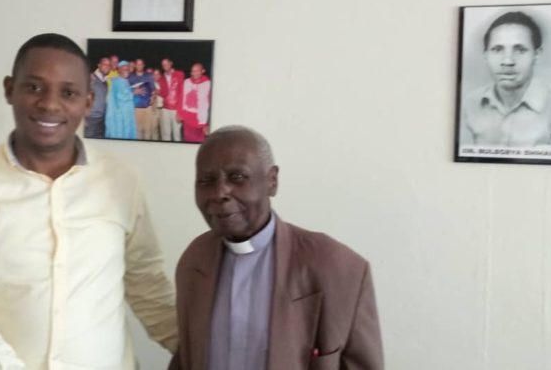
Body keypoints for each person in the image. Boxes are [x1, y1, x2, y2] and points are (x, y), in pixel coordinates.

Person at [0, 33, 177, 370]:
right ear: (9, 89)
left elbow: (147, 286)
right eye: (34, 87)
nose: (50, 104)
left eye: (68, 93)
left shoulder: (121, 182)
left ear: (88, 102)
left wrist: (208, 350)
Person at [170, 126, 384, 370]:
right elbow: (185, 356)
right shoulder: (194, 261)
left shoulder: (338, 268)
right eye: (206, 181)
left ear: (272, 181)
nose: (220, 193)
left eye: (237, 177)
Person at [459, 11, 551, 148]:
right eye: (497, 49)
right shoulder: (469, 105)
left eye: (520, 50)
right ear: (486, 55)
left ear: (537, 55)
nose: (508, 61)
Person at [178, 63, 211, 143]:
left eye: (197, 71)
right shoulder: (186, 82)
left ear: (203, 71)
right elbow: (180, 97)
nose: (194, 73)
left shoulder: (208, 84)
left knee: (200, 144)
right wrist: (179, 113)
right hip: (187, 119)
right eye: (192, 71)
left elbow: (212, 105)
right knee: (187, 142)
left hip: (201, 121)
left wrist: (209, 123)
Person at [105, 60, 137, 139]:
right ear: (119, 70)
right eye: (124, 69)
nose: (127, 71)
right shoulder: (116, 81)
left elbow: (124, 91)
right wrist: (134, 93)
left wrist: (132, 89)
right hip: (120, 115)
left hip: (127, 114)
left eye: (127, 69)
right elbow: (120, 97)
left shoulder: (125, 81)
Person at [129, 58, 157, 140]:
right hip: (135, 109)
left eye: (141, 64)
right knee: (138, 131)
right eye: (137, 64)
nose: (139, 66)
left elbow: (153, 89)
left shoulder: (149, 76)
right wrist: (133, 91)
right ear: (135, 65)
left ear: (143, 65)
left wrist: (153, 96)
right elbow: (125, 90)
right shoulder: (130, 77)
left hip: (147, 108)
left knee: (148, 130)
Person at [157, 58, 184, 142]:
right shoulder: (161, 78)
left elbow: (182, 93)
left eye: (166, 63)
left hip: (176, 109)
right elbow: (163, 93)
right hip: (165, 109)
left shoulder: (179, 74)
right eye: (163, 64)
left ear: (171, 63)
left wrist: (180, 111)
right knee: (166, 134)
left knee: (177, 134)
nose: (165, 66)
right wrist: (157, 92)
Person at [84, 57, 110, 138]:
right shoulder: (91, 78)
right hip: (91, 119)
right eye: (105, 64)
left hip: (101, 120)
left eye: (109, 65)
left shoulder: (104, 81)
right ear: (99, 65)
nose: (107, 66)